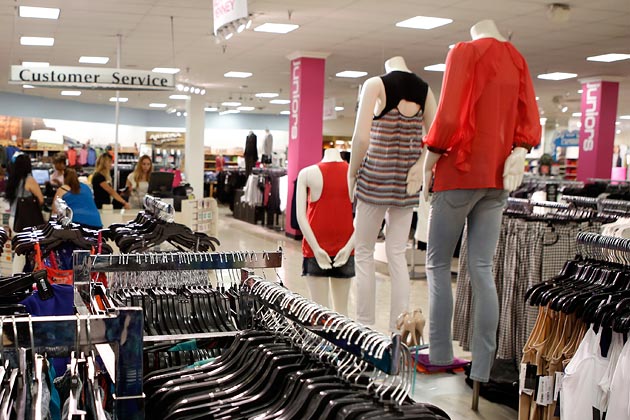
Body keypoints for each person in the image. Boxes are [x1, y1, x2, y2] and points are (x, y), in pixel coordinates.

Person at [421, 19, 541, 387]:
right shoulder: (516, 59)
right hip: (498, 178)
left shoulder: (463, 51)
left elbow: (449, 115)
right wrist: (518, 149)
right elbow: (528, 118)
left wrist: (430, 159)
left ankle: (440, 353)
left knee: (439, 264)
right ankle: (483, 368)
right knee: (482, 268)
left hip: (459, 172)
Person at [347, 56, 437, 332]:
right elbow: (435, 137)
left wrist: (352, 172)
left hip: (374, 177)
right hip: (405, 183)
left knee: (363, 251)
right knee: (397, 254)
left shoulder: (376, 84)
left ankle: (364, 325)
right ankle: (399, 327)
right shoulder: (424, 89)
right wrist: (421, 167)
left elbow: (361, 138)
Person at [296, 148, 354, 315]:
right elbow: (364, 217)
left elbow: (301, 216)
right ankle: (341, 342)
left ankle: (327, 342)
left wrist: (316, 248)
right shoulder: (353, 172)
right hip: (344, 248)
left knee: (320, 314)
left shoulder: (306, 173)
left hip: (316, 249)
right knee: (342, 313)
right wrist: (349, 247)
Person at [6, 154, 45, 273]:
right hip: (25, 220)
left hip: (14, 219)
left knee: (18, 251)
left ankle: (17, 277)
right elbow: (41, 199)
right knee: (23, 254)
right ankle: (17, 279)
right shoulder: (29, 180)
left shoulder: (13, 180)